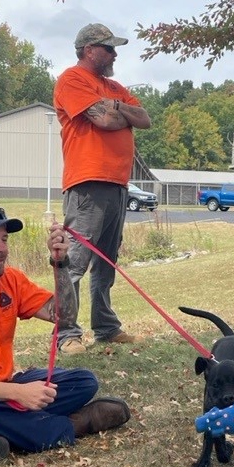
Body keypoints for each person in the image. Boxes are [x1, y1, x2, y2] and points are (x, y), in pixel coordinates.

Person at [0, 203, 130, 465]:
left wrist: (60, 263)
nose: (1, 249)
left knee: (84, 382)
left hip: (3, 387)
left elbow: (64, 315)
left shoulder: (11, 280)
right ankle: (75, 425)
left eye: (4, 239)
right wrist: (18, 395)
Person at [53, 22, 152, 355]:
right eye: (108, 47)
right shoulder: (72, 79)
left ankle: (106, 328)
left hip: (118, 184)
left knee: (106, 261)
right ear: (88, 50)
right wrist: (118, 111)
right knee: (74, 260)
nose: (114, 53)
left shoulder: (114, 87)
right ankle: (67, 334)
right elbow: (104, 121)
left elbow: (145, 118)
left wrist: (117, 107)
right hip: (87, 183)